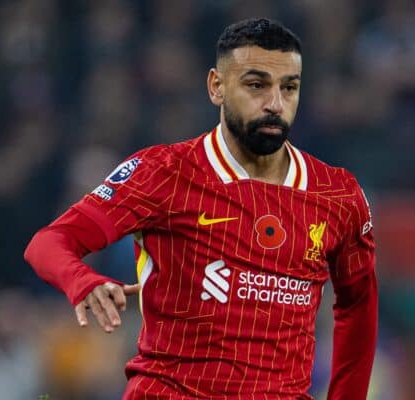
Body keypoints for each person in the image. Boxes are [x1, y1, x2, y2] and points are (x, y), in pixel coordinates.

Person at [25, 18, 377, 399]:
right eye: (256, 85)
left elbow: (358, 308)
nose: (275, 104)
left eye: (289, 88)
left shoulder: (338, 194)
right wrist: (82, 280)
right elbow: (49, 242)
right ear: (216, 87)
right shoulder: (164, 172)